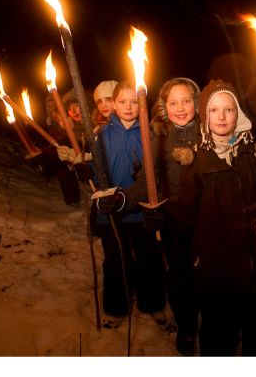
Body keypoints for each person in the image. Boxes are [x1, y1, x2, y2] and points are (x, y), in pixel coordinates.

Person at [177, 79, 256, 356]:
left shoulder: (255, 158)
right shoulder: (197, 162)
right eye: (214, 111)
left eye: (229, 109)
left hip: (254, 266)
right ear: (204, 116)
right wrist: (162, 219)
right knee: (218, 333)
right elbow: (185, 213)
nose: (221, 117)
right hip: (215, 269)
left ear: (240, 114)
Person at [112, 77, 202, 355]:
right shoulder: (158, 139)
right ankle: (186, 325)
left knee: (207, 277)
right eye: (172, 102)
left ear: (196, 103)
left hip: (206, 220)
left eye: (186, 100)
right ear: (163, 107)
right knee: (179, 277)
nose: (180, 107)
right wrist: (122, 199)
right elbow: (144, 183)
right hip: (171, 220)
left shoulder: (209, 133)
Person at [82, 81, 167, 328]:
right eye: (122, 102)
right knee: (115, 259)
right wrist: (84, 169)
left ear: (142, 104)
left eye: (134, 101)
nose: (128, 107)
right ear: (113, 104)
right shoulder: (101, 135)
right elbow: (97, 171)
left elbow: (158, 174)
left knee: (149, 258)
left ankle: (152, 304)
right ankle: (116, 308)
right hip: (111, 211)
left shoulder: (150, 135)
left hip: (142, 211)